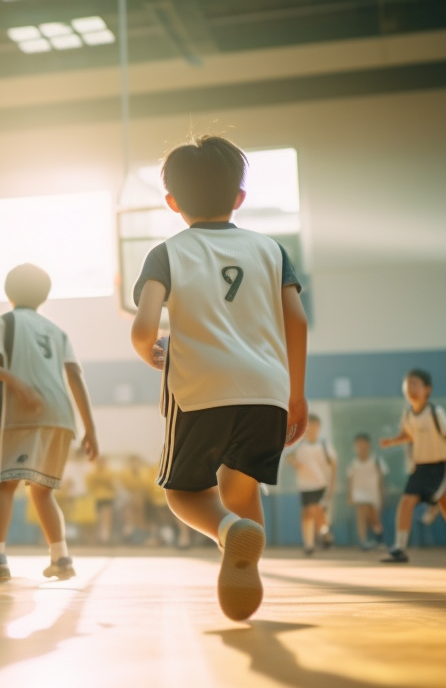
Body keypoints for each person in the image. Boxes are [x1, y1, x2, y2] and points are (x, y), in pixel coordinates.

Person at [130, 135, 308, 621]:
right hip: (268, 391)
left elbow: (144, 327)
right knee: (243, 486)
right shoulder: (272, 250)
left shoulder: (166, 253)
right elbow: (297, 320)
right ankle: (243, 551)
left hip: (199, 388)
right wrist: (297, 394)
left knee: (184, 493)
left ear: (172, 202)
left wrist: (153, 351)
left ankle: (229, 533)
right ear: (239, 199)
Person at [0, 263, 99, 584]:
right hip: (62, 417)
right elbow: (75, 377)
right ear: (45, 295)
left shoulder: (5, 322)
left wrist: (15, 381)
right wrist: (90, 428)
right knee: (44, 491)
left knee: (2, 484)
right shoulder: (57, 331)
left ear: (8, 293)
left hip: (23, 415)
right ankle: (61, 558)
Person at [378, 368, 446, 565]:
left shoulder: (436, 412)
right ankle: (400, 548)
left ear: (428, 389)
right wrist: (392, 441)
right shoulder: (408, 414)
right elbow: (409, 435)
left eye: (415, 384)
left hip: (443, 465)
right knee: (406, 502)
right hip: (420, 467)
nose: (410, 388)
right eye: (407, 384)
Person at [286, 414, 337, 555]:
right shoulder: (299, 445)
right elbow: (289, 457)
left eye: (315, 425)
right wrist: (293, 462)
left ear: (319, 427)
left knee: (315, 510)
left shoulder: (324, 445)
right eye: (309, 426)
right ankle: (309, 544)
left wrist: (332, 486)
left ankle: (325, 534)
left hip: (321, 485)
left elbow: (333, 465)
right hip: (304, 486)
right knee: (306, 514)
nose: (312, 429)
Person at [346, 433, 388, 550]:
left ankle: (378, 539)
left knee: (374, 520)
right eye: (358, 445)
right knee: (361, 510)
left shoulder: (377, 461)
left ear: (368, 445)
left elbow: (382, 480)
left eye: (363, 444)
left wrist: (382, 495)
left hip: (374, 496)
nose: (361, 447)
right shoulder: (353, 464)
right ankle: (363, 541)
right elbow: (349, 480)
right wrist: (350, 496)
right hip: (358, 494)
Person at [85, 458, 118, 545]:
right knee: (98, 518)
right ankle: (99, 536)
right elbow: (89, 486)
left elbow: (114, 486)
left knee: (106, 516)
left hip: (107, 498)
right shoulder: (92, 474)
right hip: (95, 498)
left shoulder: (110, 473)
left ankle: (105, 536)